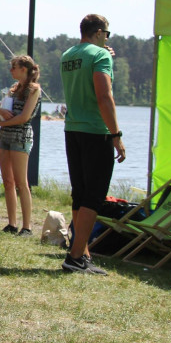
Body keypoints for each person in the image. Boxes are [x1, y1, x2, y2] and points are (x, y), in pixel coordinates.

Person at [59, 14, 126, 275]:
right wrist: (116, 134)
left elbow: (84, 70)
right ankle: (75, 257)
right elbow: (104, 95)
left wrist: (102, 53)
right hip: (96, 131)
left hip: (72, 128)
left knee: (80, 193)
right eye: (107, 34)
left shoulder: (68, 54)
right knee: (94, 195)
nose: (108, 39)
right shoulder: (101, 56)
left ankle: (82, 253)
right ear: (99, 32)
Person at [0, 55, 42, 236]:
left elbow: (24, 117)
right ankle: (12, 223)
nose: (11, 70)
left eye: (14, 67)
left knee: (22, 183)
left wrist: (2, 122)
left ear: (24, 69)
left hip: (21, 138)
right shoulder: (13, 89)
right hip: (5, 137)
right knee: (8, 182)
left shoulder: (34, 90)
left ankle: (27, 226)